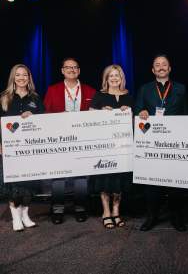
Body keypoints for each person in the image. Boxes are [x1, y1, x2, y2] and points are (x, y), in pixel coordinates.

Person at [135, 54, 188, 232]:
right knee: (152, 184)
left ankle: (177, 217)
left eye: (164, 64)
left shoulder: (181, 88)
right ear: (153, 70)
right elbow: (137, 111)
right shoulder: (144, 89)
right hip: (152, 143)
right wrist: (141, 111)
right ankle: (151, 217)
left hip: (175, 142)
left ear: (170, 68)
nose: (161, 67)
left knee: (176, 183)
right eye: (157, 65)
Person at [44, 57, 96, 224]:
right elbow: (44, 115)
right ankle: (57, 209)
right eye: (68, 67)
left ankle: (80, 208)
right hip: (59, 139)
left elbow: (97, 116)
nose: (71, 70)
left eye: (75, 67)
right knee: (58, 175)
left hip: (82, 140)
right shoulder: (52, 90)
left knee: (81, 176)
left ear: (79, 71)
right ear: (62, 71)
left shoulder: (90, 91)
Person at [0, 64, 44, 231]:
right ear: (13, 77)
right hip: (10, 149)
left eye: (24, 75)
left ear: (29, 77)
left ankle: (25, 215)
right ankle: (15, 217)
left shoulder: (35, 98)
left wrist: (33, 117)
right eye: (18, 75)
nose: (21, 78)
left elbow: (45, 122)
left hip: (30, 149)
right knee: (13, 184)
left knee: (29, 183)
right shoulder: (4, 98)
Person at [90, 64, 133, 229]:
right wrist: (101, 112)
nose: (114, 78)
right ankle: (106, 212)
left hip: (123, 147)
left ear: (122, 78)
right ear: (106, 79)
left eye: (117, 75)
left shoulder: (129, 97)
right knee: (105, 180)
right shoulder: (99, 96)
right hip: (104, 146)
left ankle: (116, 210)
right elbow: (89, 120)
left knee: (119, 181)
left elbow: (136, 121)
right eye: (111, 76)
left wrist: (128, 113)